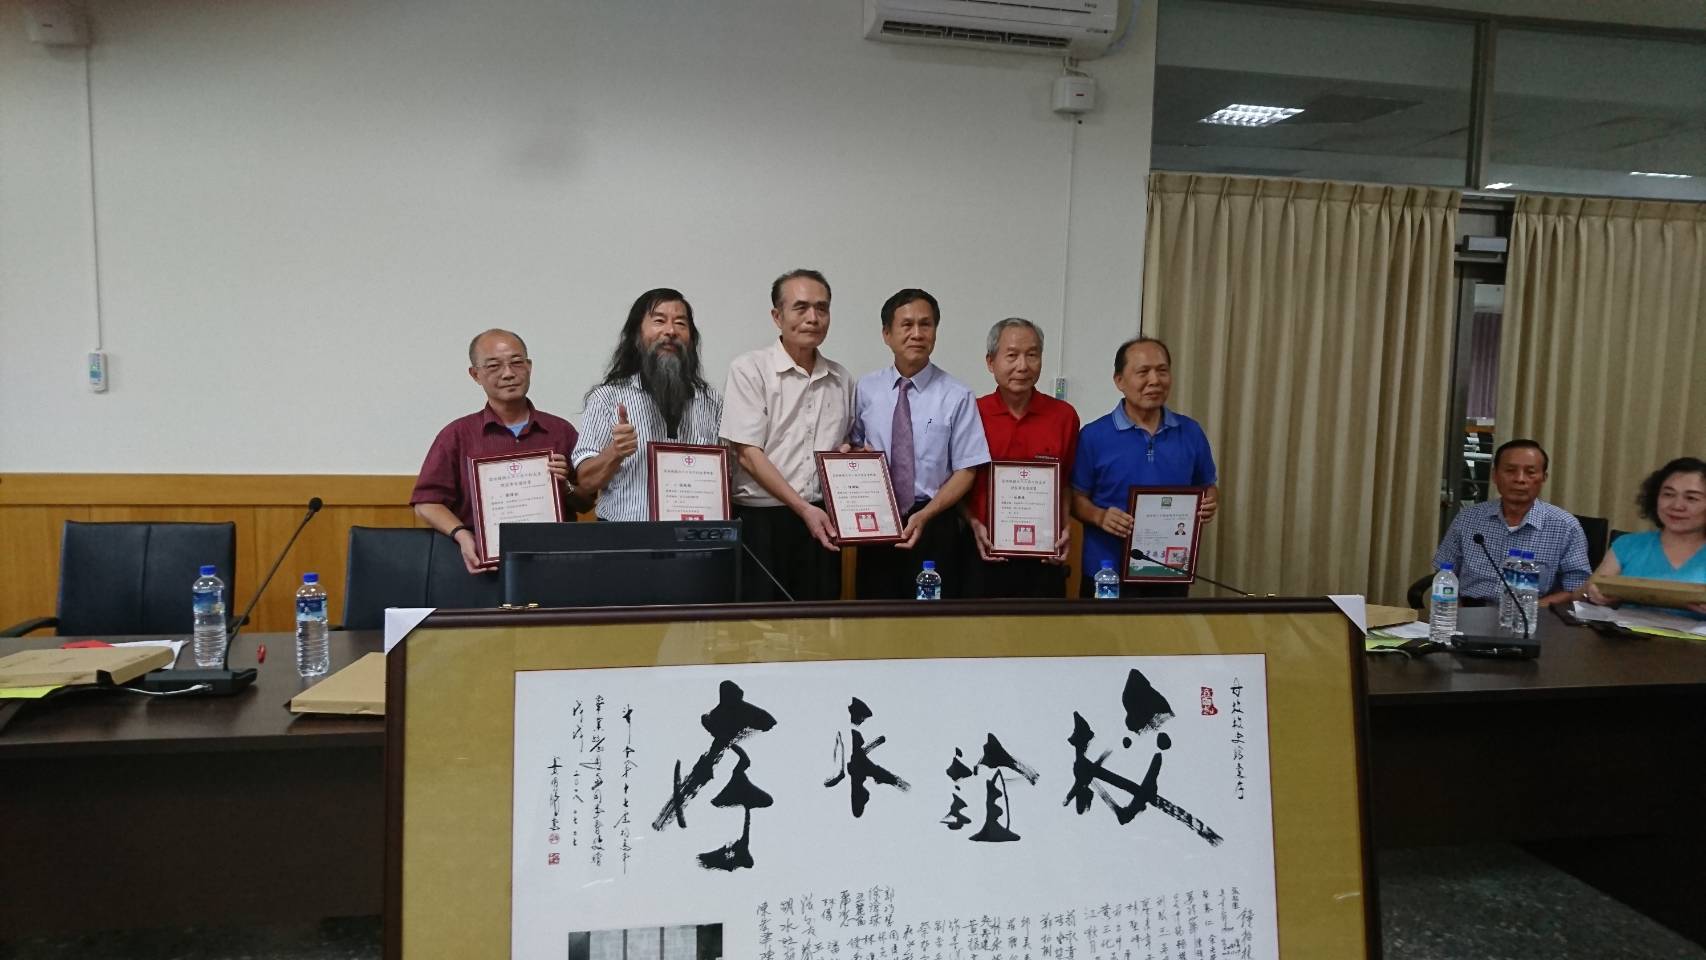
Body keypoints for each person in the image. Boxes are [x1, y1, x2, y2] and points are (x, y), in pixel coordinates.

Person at [719, 269, 855, 601]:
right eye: (801, 307)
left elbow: (846, 444)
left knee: (821, 619)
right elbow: (748, 455)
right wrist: (802, 508)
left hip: (821, 520)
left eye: (822, 308)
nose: (813, 318)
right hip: (762, 521)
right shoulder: (749, 369)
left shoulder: (842, 379)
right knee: (761, 623)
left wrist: (850, 457)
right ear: (777, 316)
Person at [851, 288, 990, 599]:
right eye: (907, 325)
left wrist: (926, 515)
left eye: (925, 325)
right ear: (887, 334)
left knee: (932, 618)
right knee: (874, 613)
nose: (917, 334)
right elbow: (854, 448)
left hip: (935, 522)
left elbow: (967, 470)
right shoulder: (866, 388)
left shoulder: (957, 395)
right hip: (877, 524)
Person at [411, 329, 582, 574]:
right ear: (475, 375)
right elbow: (426, 502)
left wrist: (565, 486)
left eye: (517, 362)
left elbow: (586, 501)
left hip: (552, 565)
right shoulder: (457, 434)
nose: (508, 373)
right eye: (493, 366)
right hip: (483, 566)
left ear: (529, 367)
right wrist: (461, 534)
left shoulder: (560, 431)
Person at [1069, 336, 1218, 598]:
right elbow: (1076, 498)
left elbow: (1207, 486)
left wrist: (1209, 502)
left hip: (1169, 568)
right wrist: (1100, 516)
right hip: (1107, 572)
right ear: (1119, 381)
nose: (1154, 380)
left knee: (1167, 627)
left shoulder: (1191, 432)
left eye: (1162, 371)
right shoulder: (1093, 436)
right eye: (1143, 372)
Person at [573, 288, 724, 522]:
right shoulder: (607, 398)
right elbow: (586, 481)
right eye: (659, 321)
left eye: (680, 323)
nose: (671, 331)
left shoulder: (712, 403)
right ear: (636, 336)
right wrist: (615, 452)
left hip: (692, 536)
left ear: (691, 339)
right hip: (623, 536)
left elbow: (727, 478)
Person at [963, 318, 1079, 599]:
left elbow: (1065, 483)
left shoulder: (1063, 416)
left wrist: (1064, 526)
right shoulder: (971, 413)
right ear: (991, 362)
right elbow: (957, 483)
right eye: (1012, 355)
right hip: (983, 551)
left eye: (1032, 355)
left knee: (1044, 627)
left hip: (1044, 558)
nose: (1023, 366)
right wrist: (973, 522)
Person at [1432, 439, 1590, 607]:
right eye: (1510, 471)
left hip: (1532, 615)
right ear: (1495, 476)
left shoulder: (1565, 527)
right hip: (1470, 612)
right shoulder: (1468, 519)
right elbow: (1444, 572)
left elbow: (1576, 589)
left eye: (1530, 472)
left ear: (1544, 478)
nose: (1520, 479)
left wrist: (1530, 609)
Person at [1581, 457, 1706, 617]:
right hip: (1624, 632)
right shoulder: (1628, 545)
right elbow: (1582, 594)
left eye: (1691, 498)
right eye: (1668, 494)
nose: (1676, 505)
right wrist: (1592, 595)